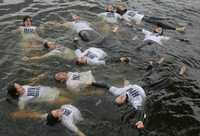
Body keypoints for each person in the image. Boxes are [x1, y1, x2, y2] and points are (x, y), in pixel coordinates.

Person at [10, 104, 86, 136]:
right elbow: (79, 133)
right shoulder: (67, 123)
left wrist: (21, 114)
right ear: (59, 118)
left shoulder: (51, 114)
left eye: (55, 110)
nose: (58, 110)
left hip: (74, 109)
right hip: (80, 117)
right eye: (57, 112)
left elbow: (39, 115)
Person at [116, 4, 185, 32]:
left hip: (144, 16)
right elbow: (130, 22)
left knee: (158, 18)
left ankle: (168, 19)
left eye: (122, 6)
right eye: (121, 7)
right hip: (143, 19)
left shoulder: (128, 10)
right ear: (120, 10)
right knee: (159, 23)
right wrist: (137, 23)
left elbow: (136, 13)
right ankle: (177, 29)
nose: (123, 7)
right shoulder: (124, 16)